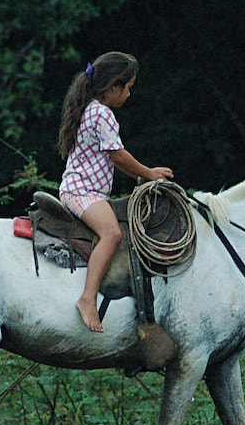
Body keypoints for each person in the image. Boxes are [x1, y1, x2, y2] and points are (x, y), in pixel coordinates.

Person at [57, 52, 174, 332]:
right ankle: (88, 299)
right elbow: (118, 156)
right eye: (128, 88)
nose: (129, 95)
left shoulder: (89, 109)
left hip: (86, 190)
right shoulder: (102, 113)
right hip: (82, 191)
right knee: (112, 233)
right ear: (113, 88)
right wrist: (149, 174)